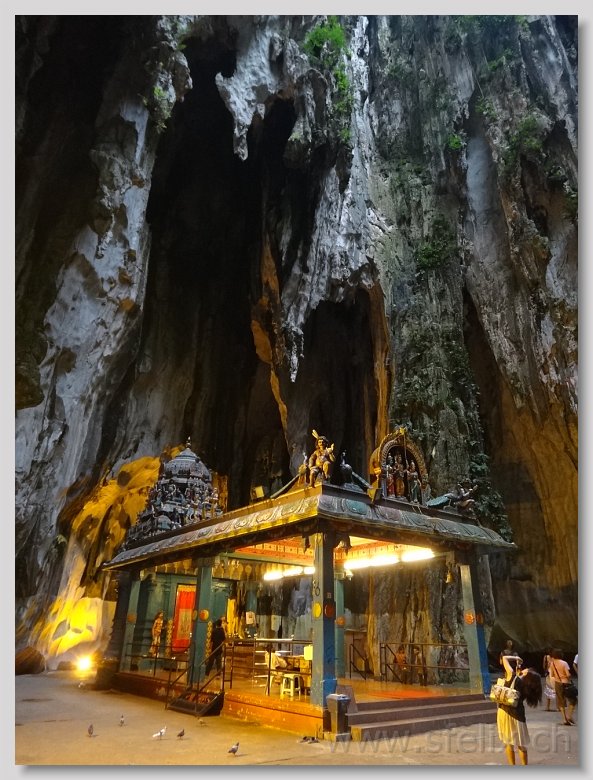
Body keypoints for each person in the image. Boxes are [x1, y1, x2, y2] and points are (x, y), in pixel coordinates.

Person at [496, 654, 542, 765]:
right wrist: (519, 669)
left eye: (527, 670)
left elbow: (504, 658)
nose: (525, 669)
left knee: (509, 743)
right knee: (521, 744)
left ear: (526, 675)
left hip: (504, 712)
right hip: (518, 716)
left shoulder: (513, 677)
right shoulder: (526, 686)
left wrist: (516, 658)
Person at [548, 648, 577, 725]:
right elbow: (568, 674)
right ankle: (569, 716)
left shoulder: (552, 664)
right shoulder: (564, 663)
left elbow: (552, 675)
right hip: (566, 683)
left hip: (558, 683)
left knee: (561, 701)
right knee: (573, 700)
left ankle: (564, 719)